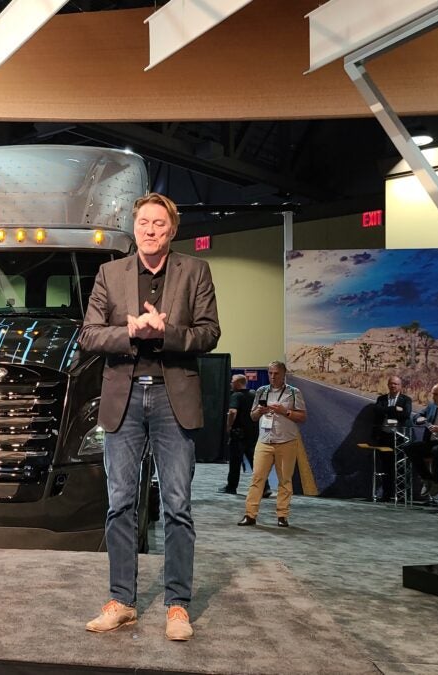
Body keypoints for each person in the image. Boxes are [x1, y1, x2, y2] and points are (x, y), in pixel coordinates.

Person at [78, 192, 220, 642]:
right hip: (123, 400)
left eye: (159, 223)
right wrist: (129, 332)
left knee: (177, 505)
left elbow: (209, 332)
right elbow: (89, 334)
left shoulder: (194, 271)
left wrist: (166, 332)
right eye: (144, 222)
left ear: (172, 229)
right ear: (134, 227)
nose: (151, 230)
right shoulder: (109, 273)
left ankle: (178, 606)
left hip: (171, 398)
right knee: (120, 503)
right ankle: (122, 601)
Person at [239, 361, 307, 528]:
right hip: (264, 442)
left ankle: (282, 515)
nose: (272, 376)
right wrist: (259, 412)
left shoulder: (293, 392)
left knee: (285, 480)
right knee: (257, 478)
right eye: (270, 373)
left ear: (284, 374)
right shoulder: (262, 391)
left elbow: (302, 417)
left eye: (276, 373)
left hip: (286, 442)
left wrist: (285, 411)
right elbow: (253, 417)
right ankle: (250, 514)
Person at [221, 375, 265, 496]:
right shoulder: (254, 393)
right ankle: (265, 487)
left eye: (232, 381)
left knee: (235, 462)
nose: (230, 383)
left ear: (238, 383)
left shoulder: (236, 395)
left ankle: (231, 487)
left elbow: (232, 412)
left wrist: (228, 426)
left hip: (238, 434)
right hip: (253, 434)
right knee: (255, 463)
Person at [405, 383, 438, 497]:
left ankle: (437, 481)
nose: (433, 397)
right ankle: (427, 478)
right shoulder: (432, 406)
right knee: (410, 448)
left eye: (436, 394)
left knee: (437, 450)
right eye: (432, 394)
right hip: (431, 442)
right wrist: (419, 418)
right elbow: (417, 416)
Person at [373, 375, 413, 500]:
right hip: (384, 436)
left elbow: (405, 414)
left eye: (395, 384)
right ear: (388, 385)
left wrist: (386, 410)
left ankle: (401, 496)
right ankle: (386, 494)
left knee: (401, 467)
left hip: (399, 437)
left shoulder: (406, 400)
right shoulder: (381, 398)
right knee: (386, 467)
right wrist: (394, 409)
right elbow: (377, 411)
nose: (393, 386)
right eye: (391, 383)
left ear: (400, 386)